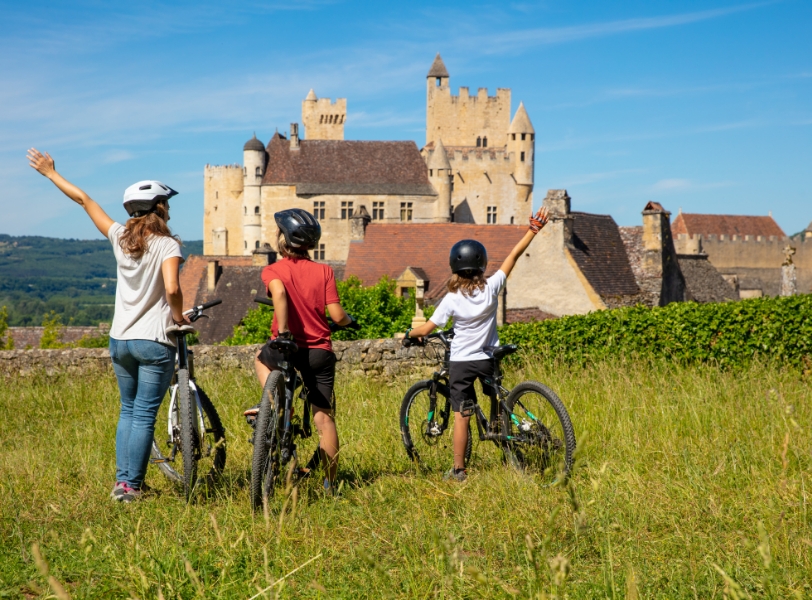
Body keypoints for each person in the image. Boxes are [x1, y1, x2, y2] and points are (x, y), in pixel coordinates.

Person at [28, 148, 187, 503]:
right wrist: (179, 317)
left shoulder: (119, 238)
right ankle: (131, 488)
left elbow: (85, 200)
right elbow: (173, 289)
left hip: (120, 340)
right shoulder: (168, 245)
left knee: (127, 410)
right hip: (153, 340)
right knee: (144, 414)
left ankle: (122, 482)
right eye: (167, 204)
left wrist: (51, 173)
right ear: (160, 208)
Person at [404, 206, 549, 481]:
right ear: (481, 265)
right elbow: (513, 256)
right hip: (487, 357)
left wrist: (409, 334)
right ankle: (500, 430)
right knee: (494, 391)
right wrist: (532, 230)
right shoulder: (492, 288)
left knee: (463, 415)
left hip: (461, 362)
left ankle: (459, 470)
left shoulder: (451, 299)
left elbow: (428, 327)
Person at [246, 208, 356, 495]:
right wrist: (347, 322)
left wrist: (283, 332)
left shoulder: (274, 270)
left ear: (282, 238)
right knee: (324, 420)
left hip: (287, 349)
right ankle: (330, 485)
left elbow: (279, 293)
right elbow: (337, 314)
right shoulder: (324, 271)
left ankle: (276, 403)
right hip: (319, 350)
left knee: (260, 360)